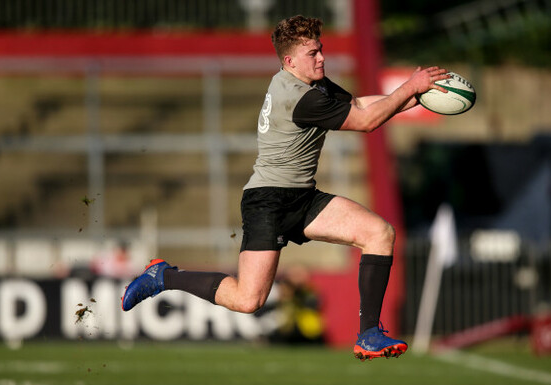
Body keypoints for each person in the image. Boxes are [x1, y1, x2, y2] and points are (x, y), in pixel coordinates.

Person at [122, 15, 449, 361]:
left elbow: (359, 105)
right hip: (268, 202)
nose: (322, 58)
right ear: (290, 61)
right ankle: (164, 277)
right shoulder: (301, 98)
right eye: (313, 53)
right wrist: (408, 89)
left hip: (302, 196)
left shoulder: (311, 84)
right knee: (248, 300)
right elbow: (367, 122)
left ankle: (368, 334)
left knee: (379, 233)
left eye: (320, 49)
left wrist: (417, 96)